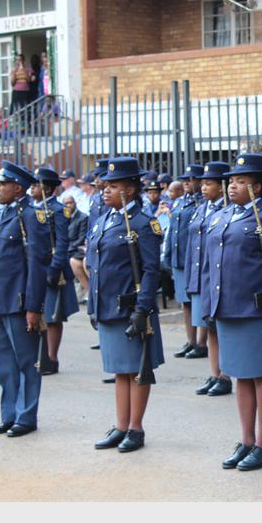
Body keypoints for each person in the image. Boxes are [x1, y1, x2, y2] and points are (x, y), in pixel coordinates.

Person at [201, 153, 262, 471]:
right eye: (231, 181)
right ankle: (246, 440)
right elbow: (210, 267)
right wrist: (209, 306)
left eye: (241, 181)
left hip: (256, 310)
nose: (232, 186)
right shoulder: (222, 216)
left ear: (257, 187)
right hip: (227, 308)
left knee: (260, 375)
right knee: (241, 375)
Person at [86, 157, 166, 452]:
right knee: (120, 370)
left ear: (130, 190)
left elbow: (151, 270)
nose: (105, 190)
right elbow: (95, 266)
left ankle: (135, 427)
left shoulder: (143, 223)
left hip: (131, 307)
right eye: (105, 185)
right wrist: (93, 304)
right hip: (107, 305)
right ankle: (121, 426)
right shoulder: (104, 219)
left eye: (113, 185)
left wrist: (142, 309)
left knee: (137, 369)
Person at [0, 160, 50, 437]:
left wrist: (33, 306)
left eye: (2, 185)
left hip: (18, 302)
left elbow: (37, 265)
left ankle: (26, 416)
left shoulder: (31, 216)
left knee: (25, 362)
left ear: (18, 188)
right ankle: (9, 414)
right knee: (5, 365)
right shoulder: (0, 214)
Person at [189, 161, 232, 397]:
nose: (203, 187)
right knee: (209, 327)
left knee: (220, 329)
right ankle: (214, 373)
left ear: (221, 186)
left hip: (217, 276)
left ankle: (225, 375)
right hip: (202, 276)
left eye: (209, 183)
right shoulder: (201, 208)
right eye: (202, 183)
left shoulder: (227, 209)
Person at [32, 167, 80, 374]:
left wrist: (54, 267)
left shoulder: (58, 210)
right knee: (36, 312)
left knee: (52, 316)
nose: (32, 188)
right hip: (35, 267)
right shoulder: (31, 208)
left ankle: (51, 358)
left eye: (36, 185)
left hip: (52, 267)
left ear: (47, 188)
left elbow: (62, 242)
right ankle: (39, 355)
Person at [166, 164, 204, 358]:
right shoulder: (180, 202)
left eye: (191, 179)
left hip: (195, 259)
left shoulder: (202, 203)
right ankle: (190, 341)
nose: (187, 182)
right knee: (185, 303)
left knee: (199, 302)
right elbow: (172, 230)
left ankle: (201, 343)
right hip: (179, 257)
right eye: (184, 180)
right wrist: (167, 254)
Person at [63, 195, 89, 302]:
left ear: (75, 203)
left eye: (71, 202)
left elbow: (81, 238)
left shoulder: (83, 217)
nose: (68, 205)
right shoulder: (62, 217)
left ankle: (88, 290)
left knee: (73, 261)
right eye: (66, 203)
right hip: (67, 248)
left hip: (77, 249)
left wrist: (67, 249)